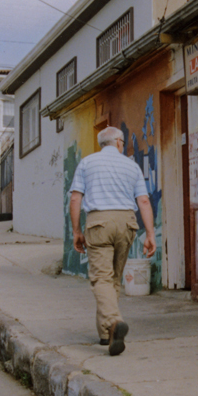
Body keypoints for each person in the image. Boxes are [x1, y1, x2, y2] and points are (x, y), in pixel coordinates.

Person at [69, 126, 156, 356]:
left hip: (99, 222)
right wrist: (150, 234)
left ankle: (114, 322)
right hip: (127, 222)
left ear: (102, 143)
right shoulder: (131, 165)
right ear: (118, 142)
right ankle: (106, 334)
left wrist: (76, 230)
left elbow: (76, 198)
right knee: (113, 279)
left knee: (101, 279)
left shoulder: (87, 163)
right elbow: (144, 201)